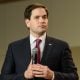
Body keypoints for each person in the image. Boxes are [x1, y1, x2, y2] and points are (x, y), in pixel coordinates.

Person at [0, 3, 79, 80]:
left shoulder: (61, 46)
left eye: (44, 17)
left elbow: (74, 76)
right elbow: (3, 77)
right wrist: (24, 75)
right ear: (28, 23)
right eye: (37, 17)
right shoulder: (14, 47)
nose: (42, 21)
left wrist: (52, 75)